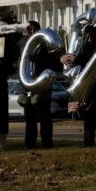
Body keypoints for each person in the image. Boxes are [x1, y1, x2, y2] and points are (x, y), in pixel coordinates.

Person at [61, 24, 96, 146]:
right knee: (89, 115)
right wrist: (67, 58)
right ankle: (88, 141)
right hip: (88, 87)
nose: (90, 37)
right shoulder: (87, 47)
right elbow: (79, 59)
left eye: (93, 34)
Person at [18, 20, 62, 149]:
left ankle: (47, 142)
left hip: (42, 84)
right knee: (30, 116)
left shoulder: (45, 44)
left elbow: (55, 64)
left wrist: (39, 60)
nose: (31, 32)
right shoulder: (22, 43)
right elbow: (18, 62)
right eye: (29, 30)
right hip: (27, 84)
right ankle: (29, 143)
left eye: (33, 29)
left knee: (44, 115)